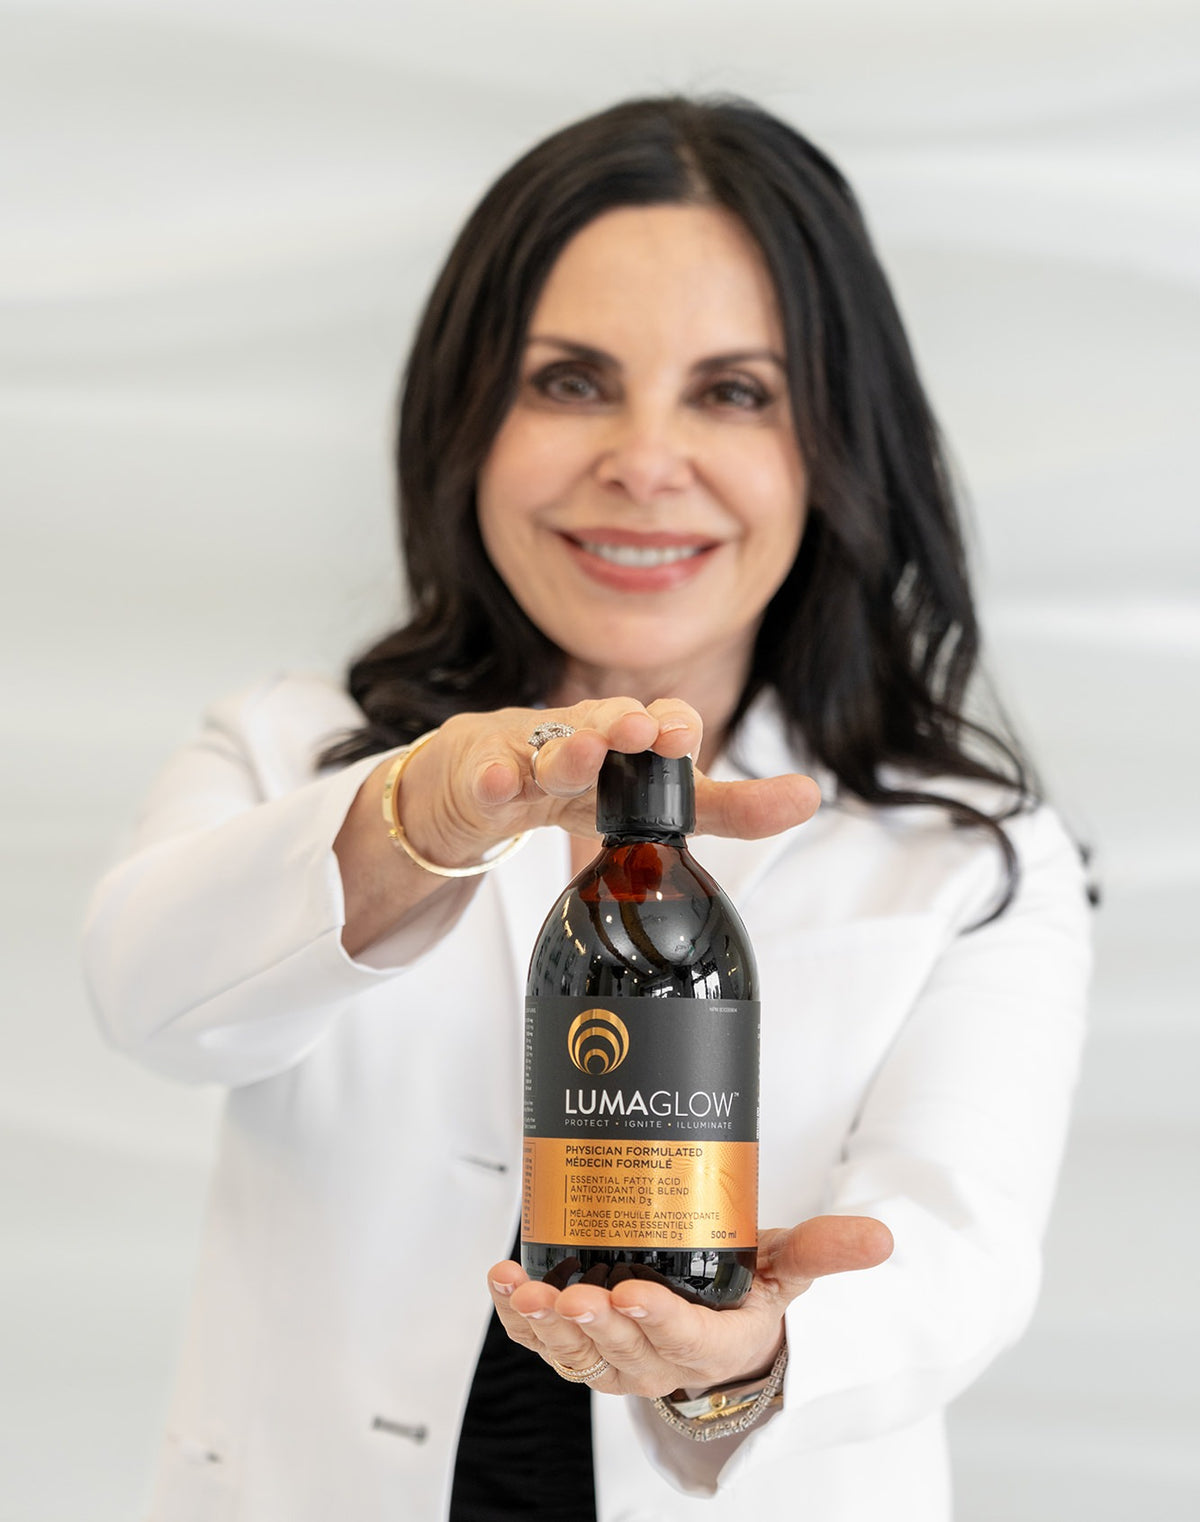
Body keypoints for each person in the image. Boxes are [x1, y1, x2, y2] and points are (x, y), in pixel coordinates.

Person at [83, 96, 1092, 1522]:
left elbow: (953, 1249)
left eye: (733, 392)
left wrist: (749, 1358)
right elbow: (146, 998)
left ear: (833, 446)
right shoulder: (292, 746)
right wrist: (423, 820)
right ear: (468, 417)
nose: (644, 459)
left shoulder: (965, 853)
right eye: (570, 381)